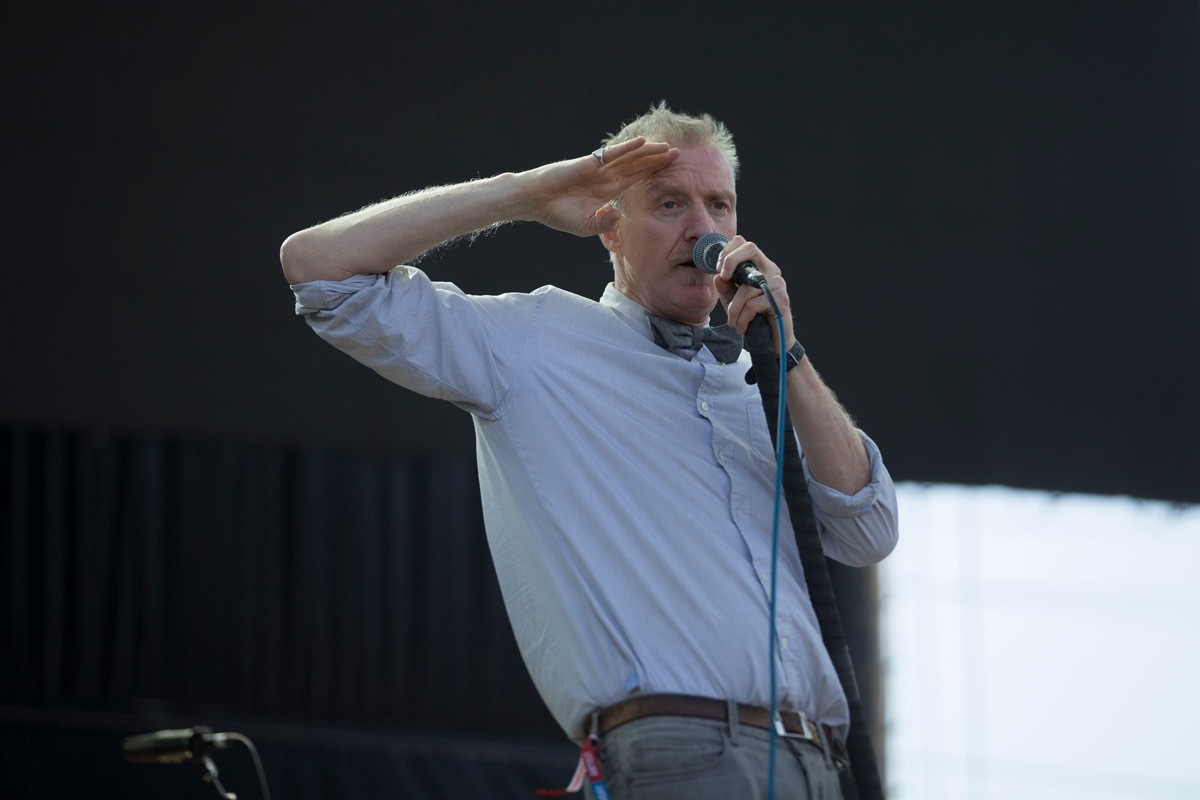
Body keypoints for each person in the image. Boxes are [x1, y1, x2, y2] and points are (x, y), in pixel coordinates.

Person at [281, 102, 898, 799]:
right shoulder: (538, 342)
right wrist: (525, 192)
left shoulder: (761, 378)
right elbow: (319, 270)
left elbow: (868, 529)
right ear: (609, 224)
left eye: (719, 206)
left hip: (820, 763)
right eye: (670, 204)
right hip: (685, 754)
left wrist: (790, 355)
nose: (703, 230)